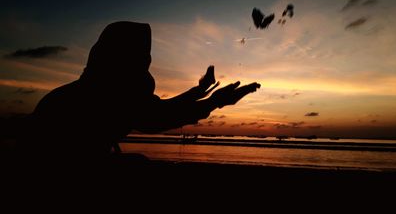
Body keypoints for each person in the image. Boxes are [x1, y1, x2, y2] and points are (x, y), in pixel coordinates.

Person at [22, 21, 260, 163]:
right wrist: (214, 101)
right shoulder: (109, 92)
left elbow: (155, 110)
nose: (146, 60)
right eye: (141, 55)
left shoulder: (89, 87)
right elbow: (155, 117)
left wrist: (200, 92)